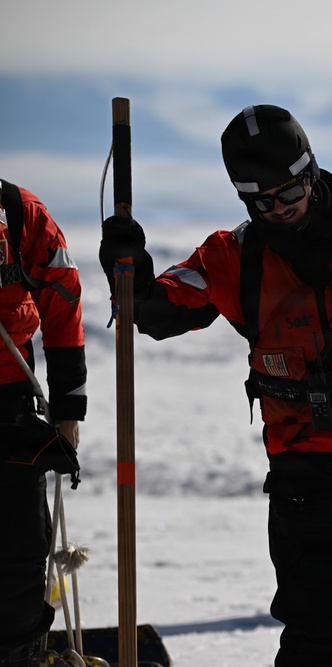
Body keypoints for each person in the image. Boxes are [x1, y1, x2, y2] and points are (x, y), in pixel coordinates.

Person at [98, 104, 332, 667]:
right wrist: (127, 264)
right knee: (315, 636)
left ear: (310, 173)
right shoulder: (233, 257)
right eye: (260, 202)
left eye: (286, 195)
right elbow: (156, 311)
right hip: (306, 477)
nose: (277, 211)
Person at [1, 179, 86, 667]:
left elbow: (63, 304)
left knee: (18, 567)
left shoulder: (21, 214)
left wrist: (69, 408)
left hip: (10, 408)